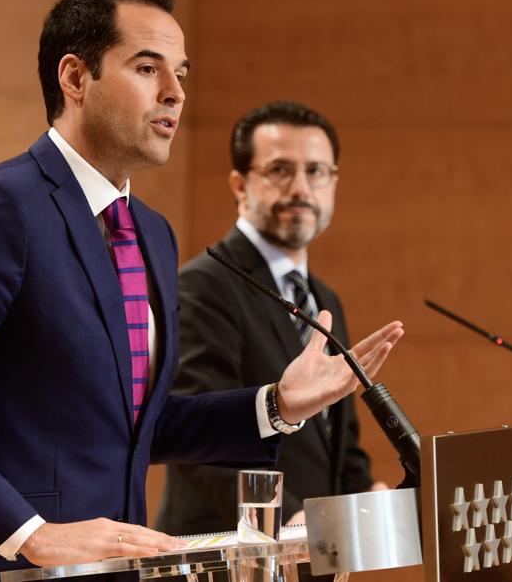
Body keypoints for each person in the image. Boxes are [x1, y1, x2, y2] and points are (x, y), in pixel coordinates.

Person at [0, 0, 404, 582]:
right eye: (148, 69)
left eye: (182, 74)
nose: (174, 93)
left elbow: (135, 425)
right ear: (74, 78)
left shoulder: (151, 231)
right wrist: (30, 534)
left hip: (118, 565)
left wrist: (275, 406)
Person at [156, 102, 388, 538]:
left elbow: (336, 437)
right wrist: (288, 519)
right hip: (228, 553)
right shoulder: (202, 286)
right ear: (240, 185)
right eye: (281, 170)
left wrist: (368, 491)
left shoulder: (322, 295)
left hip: (309, 554)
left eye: (317, 171)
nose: (301, 188)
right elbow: (195, 440)